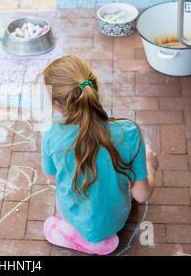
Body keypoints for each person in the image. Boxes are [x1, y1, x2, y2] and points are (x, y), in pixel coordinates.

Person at [38, 54, 159, 255]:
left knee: (60, 208)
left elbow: (52, 178)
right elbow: (141, 195)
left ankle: (75, 234)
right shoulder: (128, 132)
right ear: (93, 88)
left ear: (57, 104)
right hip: (115, 219)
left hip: (71, 215)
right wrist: (149, 166)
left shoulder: (51, 136)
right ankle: (97, 240)